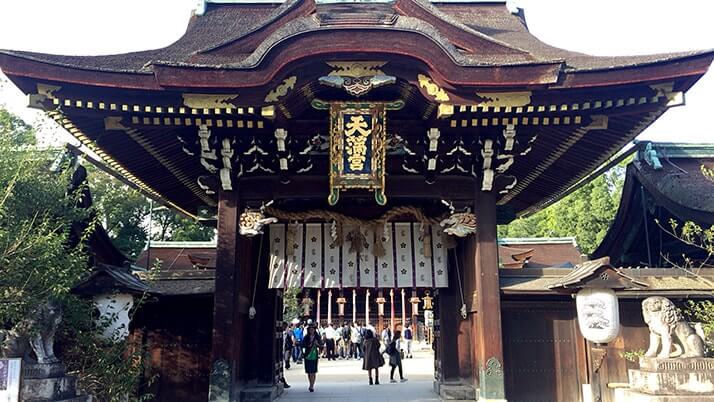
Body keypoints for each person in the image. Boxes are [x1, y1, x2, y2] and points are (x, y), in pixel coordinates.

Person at [301, 322, 323, 392]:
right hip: (307, 355)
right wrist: (309, 345)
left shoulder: (317, 337)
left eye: (313, 329)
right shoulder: (306, 337)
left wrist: (317, 345)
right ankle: (310, 383)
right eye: (310, 329)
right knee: (308, 371)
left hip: (314, 355)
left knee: (313, 371)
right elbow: (303, 345)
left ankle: (312, 385)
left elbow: (321, 345)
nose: (311, 331)